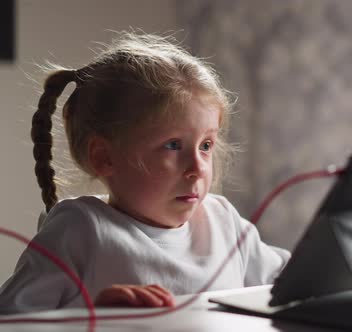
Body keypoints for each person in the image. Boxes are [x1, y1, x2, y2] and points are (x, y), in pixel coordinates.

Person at [0, 32, 290, 314]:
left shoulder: (223, 222)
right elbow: (11, 318)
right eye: (173, 145)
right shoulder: (80, 230)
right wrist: (92, 314)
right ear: (104, 157)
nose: (198, 169)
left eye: (206, 145)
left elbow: (295, 284)